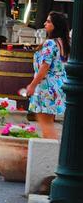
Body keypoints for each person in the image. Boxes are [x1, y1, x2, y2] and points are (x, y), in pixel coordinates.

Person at [24, 11, 69, 139]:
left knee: (45, 123)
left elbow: (44, 67)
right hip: (58, 84)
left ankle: (50, 153)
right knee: (48, 122)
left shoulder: (50, 43)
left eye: (49, 21)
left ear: (56, 25)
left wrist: (32, 86)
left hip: (47, 86)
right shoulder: (63, 42)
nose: (45, 23)